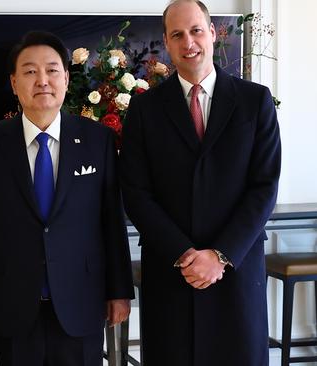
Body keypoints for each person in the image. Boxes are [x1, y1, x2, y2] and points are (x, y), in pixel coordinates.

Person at [120, 1, 282, 365]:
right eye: (177, 34)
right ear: (166, 41)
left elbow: (264, 187)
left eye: (195, 30)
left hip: (235, 272)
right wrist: (184, 254)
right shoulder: (144, 110)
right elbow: (135, 192)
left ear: (212, 33)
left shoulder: (255, 102)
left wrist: (220, 255)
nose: (188, 41)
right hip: (171, 269)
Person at [0, 31, 134, 366]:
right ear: (14, 83)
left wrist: (119, 291)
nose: (42, 80)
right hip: (13, 300)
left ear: (67, 78)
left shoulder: (97, 140)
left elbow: (111, 221)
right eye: (29, 72)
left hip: (81, 299)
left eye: (52, 70)